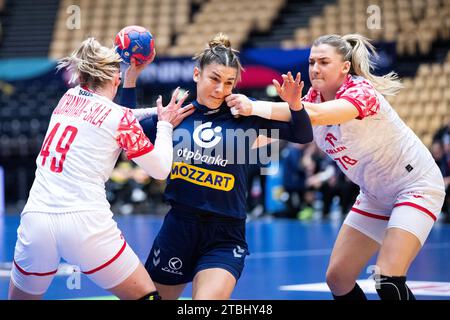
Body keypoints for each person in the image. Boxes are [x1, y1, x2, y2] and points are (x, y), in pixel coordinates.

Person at [227, 34, 446, 300]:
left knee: (387, 278)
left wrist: (254, 106)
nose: (315, 68)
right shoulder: (311, 98)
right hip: (374, 194)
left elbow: (314, 115)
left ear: (344, 66)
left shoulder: (361, 91)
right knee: (338, 279)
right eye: (311, 62)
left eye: (323, 61)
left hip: (414, 185)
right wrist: (220, 145)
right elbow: (272, 133)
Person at [125, 33, 313, 299]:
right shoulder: (175, 116)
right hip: (179, 227)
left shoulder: (244, 115)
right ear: (196, 74)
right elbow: (123, 125)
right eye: (214, 79)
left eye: (228, 83)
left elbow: (303, 135)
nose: (220, 89)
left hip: (225, 233)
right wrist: (130, 79)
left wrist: (295, 104)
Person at [8, 37, 193, 300]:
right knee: (145, 296)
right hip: (86, 222)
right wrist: (164, 125)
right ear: (116, 79)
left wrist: (153, 109)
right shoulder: (120, 118)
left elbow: (112, 114)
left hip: (37, 218)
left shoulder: (68, 98)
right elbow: (161, 169)